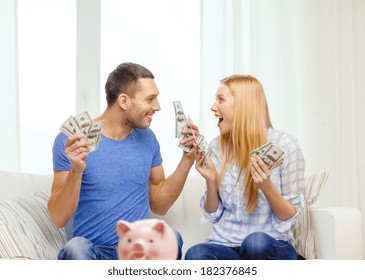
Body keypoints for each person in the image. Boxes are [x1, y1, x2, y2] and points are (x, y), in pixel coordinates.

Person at [48, 62, 198, 260]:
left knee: (172, 238)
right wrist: (76, 169)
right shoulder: (72, 142)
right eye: (150, 99)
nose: (158, 107)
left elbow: (159, 206)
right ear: (124, 101)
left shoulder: (147, 138)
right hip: (94, 252)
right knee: (75, 248)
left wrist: (187, 160)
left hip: (136, 253)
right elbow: (58, 217)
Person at [185, 74, 305, 260]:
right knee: (196, 254)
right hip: (227, 245)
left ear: (243, 106)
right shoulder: (217, 146)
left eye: (220, 100)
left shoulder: (285, 144)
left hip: (271, 244)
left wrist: (266, 187)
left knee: (255, 243)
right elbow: (213, 213)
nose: (213, 107)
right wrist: (211, 181)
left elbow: (290, 217)